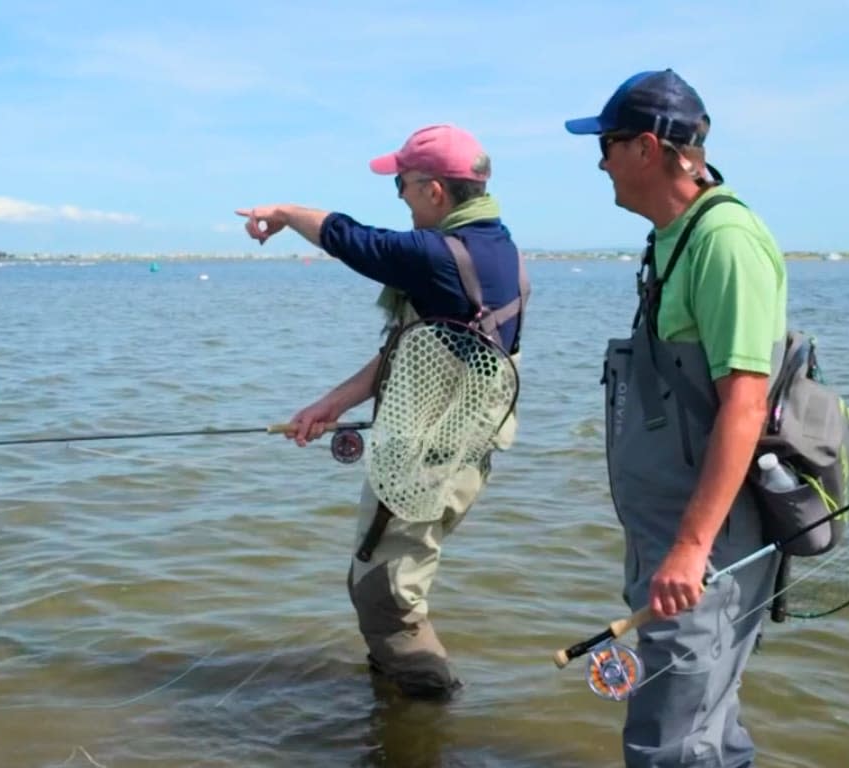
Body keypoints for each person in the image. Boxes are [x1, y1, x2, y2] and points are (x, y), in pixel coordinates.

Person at [236, 124, 528, 699]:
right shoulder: (497, 248)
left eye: (403, 185)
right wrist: (329, 405)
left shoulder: (439, 256)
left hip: (426, 464)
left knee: (386, 596)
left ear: (436, 191)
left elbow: (355, 240)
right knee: (375, 580)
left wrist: (286, 212)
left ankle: (429, 719)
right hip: (451, 451)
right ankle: (392, 714)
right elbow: (414, 351)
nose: (399, 196)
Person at [564, 70, 788, 767]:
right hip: (667, 536)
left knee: (669, 741)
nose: (599, 160)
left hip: (708, 545)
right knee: (701, 731)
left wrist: (692, 547)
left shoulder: (724, 241)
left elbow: (745, 404)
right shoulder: (672, 238)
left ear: (649, 148)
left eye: (607, 142)